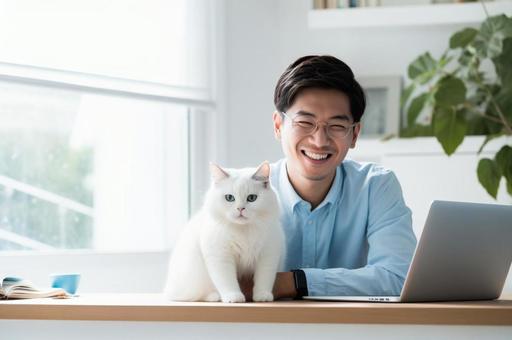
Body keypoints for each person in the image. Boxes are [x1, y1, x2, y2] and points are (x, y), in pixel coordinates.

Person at [266, 55, 417, 299]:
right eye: (305, 122)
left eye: (336, 126)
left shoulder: (376, 186)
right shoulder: (243, 193)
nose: (320, 140)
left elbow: (399, 276)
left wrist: (295, 281)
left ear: (355, 134)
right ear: (278, 126)